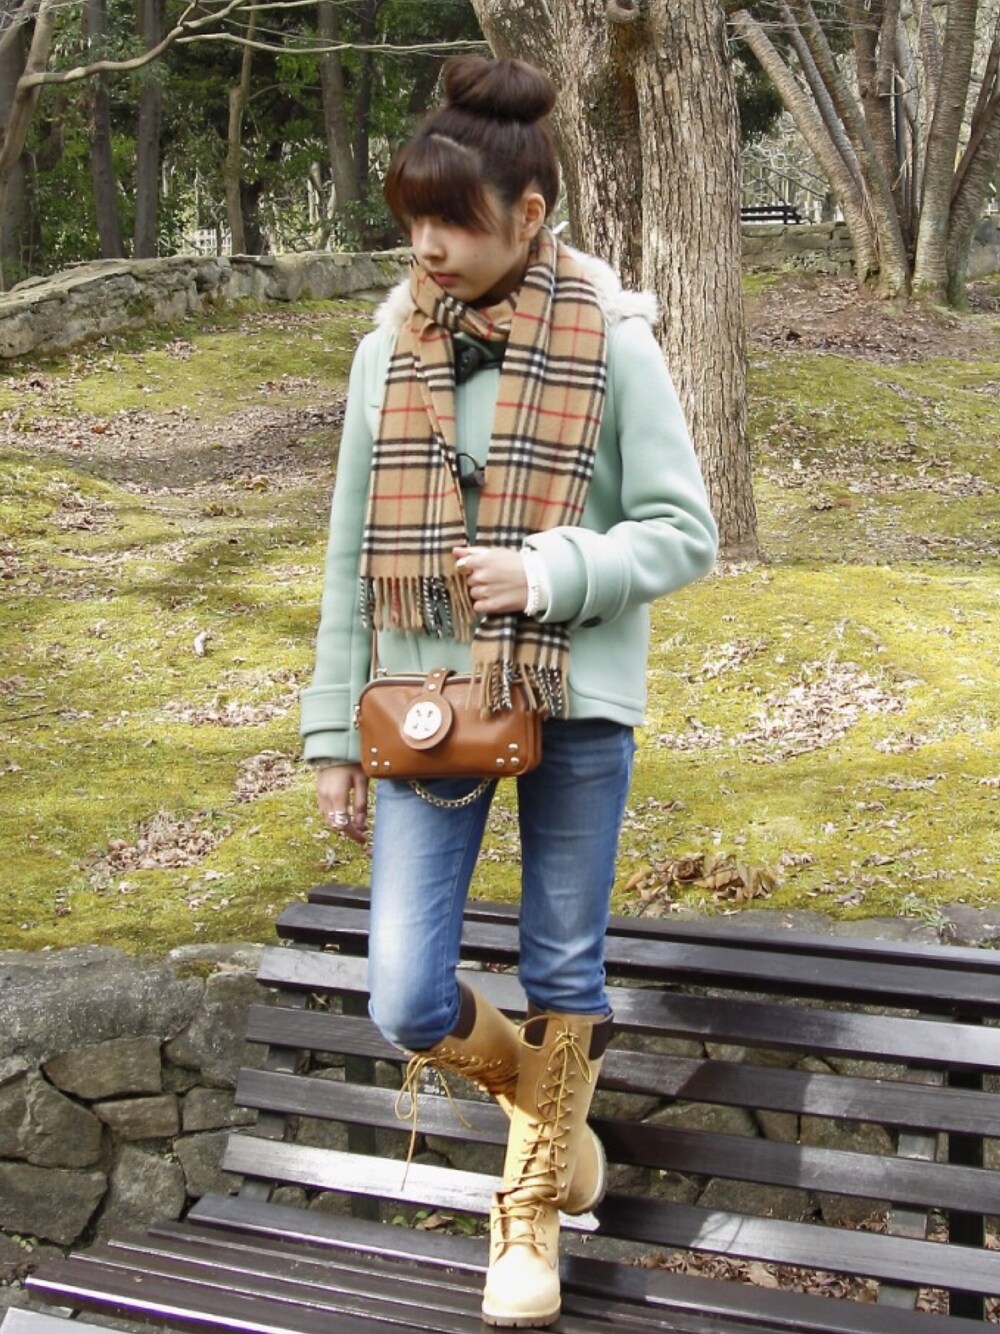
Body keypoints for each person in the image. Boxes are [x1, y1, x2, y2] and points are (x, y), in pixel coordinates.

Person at [300, 54, 718, 1328]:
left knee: (561, 959)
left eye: (454, 222)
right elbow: (348, 553)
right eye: (411, 221)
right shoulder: (389, 351)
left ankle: (528, 1209)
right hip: (426, 696)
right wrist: (331, 733)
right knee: (405, 992)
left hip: (575, 694)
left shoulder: (614, 338)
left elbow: (684, 533)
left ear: (528, 216)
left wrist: (546, 570)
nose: (426, 247)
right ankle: (558, 1120)